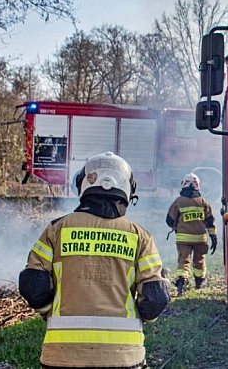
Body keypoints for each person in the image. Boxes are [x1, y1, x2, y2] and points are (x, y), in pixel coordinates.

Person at [19, 151, 170, 369]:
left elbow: (32, 285)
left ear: (84, 186)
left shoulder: (56, 230)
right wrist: (142, 317)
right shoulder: (140, 237)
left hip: (61, 356)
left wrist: (49, 312)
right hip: (124, 358)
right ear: (127, 191)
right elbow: (155, 299)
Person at [165, 172, 217, 295]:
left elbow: (169, 220)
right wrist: (213, 236)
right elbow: (210, 221)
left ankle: (181, 281)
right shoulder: (203, 202)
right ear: (198, 186)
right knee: (199, 260)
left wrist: (176, 227)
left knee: (184, 260)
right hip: (200, 238)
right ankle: (199, 283)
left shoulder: (179, 201)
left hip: (183, 238)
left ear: (184, 184)